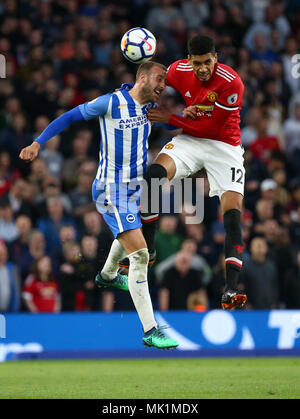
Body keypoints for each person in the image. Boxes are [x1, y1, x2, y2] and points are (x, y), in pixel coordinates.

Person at [19, 61, 178, 350]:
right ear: (142, 77)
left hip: (134, 189)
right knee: (141, 255)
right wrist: (38, 143)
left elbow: (170, 121)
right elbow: (69, 116)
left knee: (132, 236)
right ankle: (150, 330)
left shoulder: (148, 109)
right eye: (159, 78)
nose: (163, 85)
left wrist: (184, 117)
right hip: (111, 191)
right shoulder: (110, 102)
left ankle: (106, 275)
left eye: (165, 81)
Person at [120, 34, 247, 310]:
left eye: (208, 62)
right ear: (189, 60)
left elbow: (212, 129)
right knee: (153, 176)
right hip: (191, 140)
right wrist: (137, 92)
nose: (203, 68)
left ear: (216, 58)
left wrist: (171, 118)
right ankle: (149, 247)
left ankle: (230, 288)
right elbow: (154, 81)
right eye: (198, 63)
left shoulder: (231, 82)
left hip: (224, 145)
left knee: (233, 215)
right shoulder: (178, 71)